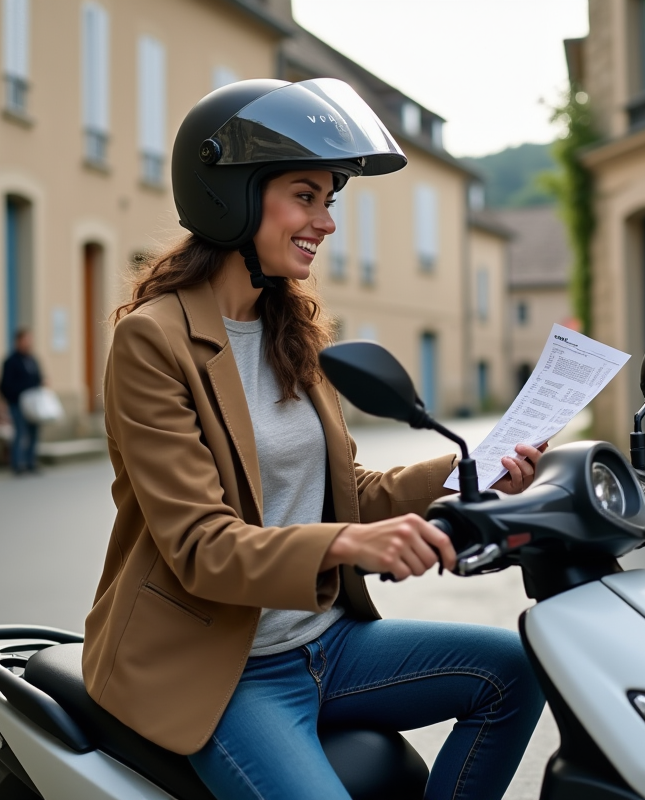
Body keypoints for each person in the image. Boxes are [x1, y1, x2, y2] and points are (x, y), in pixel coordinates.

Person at [82, 78, 546, 800]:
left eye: (328, 200)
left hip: (328, 641)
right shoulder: (154, 341)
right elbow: (202, 545)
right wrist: (341, 545)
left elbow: (349, 495)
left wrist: (471, 470)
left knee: (516, 669)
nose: (325, 222)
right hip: (225, 668)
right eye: (305, 195)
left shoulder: (291, 330)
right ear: (231, 194)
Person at [0, 328, 43, 475]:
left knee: (33, 433)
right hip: (17, 403)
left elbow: (38, 377)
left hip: (33, 404)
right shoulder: (10, 361)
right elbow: (4, 385)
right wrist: (15, 397)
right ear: (18, 341)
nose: (28, 343)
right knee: (19, 433)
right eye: (25, 340)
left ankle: (30, 462)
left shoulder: (32, 359)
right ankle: (17, 464)